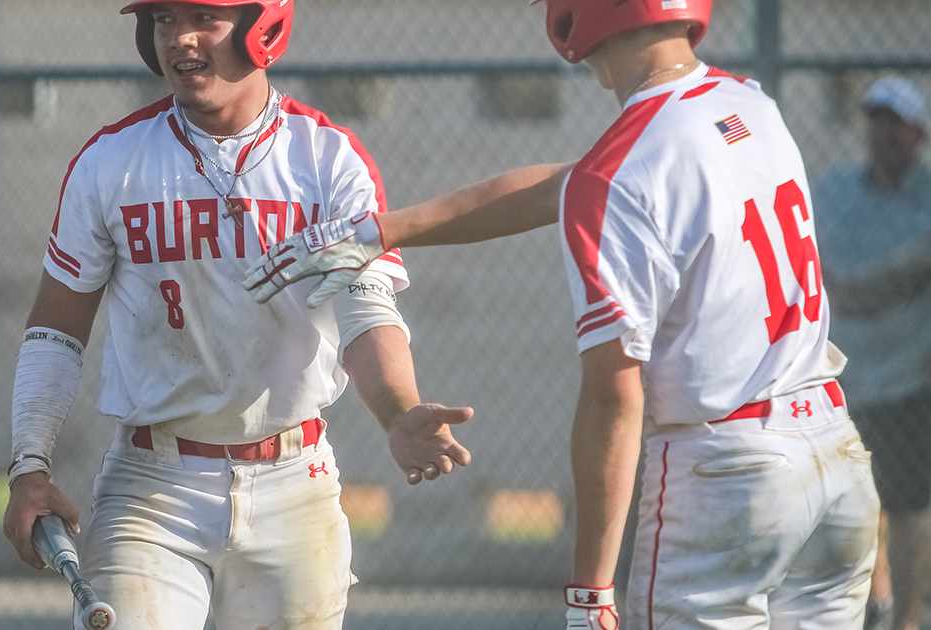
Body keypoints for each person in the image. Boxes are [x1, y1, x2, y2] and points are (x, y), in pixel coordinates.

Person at [245, 0, 882, 627]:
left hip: (729, 471)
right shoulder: (749, 103)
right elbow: (565, 185)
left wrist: (590, 587)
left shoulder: (620, 171)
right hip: (834, 452)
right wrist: (382, 229)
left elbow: (614, 398)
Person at [0, 1, 475, 628]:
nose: (180, 38)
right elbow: (56, 331)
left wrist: (397, 408)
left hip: (293, 482)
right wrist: (28, 467)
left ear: (265, 25)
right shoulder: (110, 159)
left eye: (205, 17)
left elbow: (365, 310)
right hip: (151, 490)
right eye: (165, 19)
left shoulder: (327, 157)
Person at [814, 76, 931, 630]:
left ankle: (905, 620)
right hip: (842, 378)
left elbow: (893, 275)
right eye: (875, 119)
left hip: (910, 377)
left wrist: (854, 289)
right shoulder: (833, 191)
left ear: (919, 134)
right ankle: (870, 607)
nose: (883, 131)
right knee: (850, 505)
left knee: (908, 506)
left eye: (896, 121)